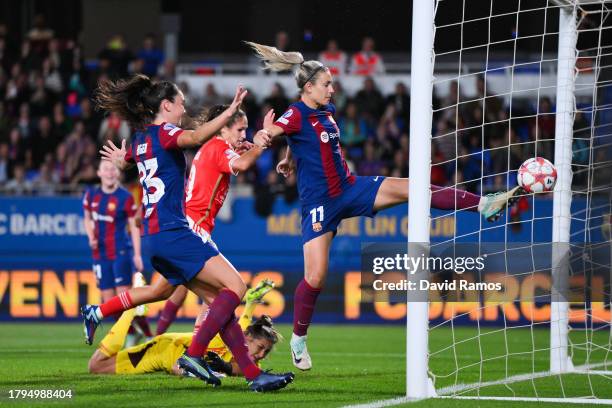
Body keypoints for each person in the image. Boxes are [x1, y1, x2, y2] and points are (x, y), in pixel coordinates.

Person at [245, 41, 522, 371]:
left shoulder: (326, 112)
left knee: (413, 187)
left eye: (332, 83)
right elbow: (277, 130)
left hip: (350, 188)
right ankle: (299, 338)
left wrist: (290, 160)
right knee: (316, 276)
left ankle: (484, 204)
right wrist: (265, 135)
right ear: (308, 88)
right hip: (319, 204)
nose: (333, 89)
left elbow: (297, 139)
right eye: (327, 84)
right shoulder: (296, 111)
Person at [81, 74, 293, 392]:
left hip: (157, 237)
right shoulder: (169, 132)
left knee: (208, 302)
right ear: (166, 105)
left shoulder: (141, 139)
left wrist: (122, 161)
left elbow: (133, 159)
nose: (183, 108)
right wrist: (233, 111)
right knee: (235, 287)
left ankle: (253, 375)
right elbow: (193, 138)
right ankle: (193, 355)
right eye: (180, 103)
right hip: (176, 231)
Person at [156, 104, 273, 335]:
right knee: (230, 289)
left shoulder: (214, 146)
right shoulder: (218, 147)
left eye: (245, 130)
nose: (243, 135)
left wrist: (251, 146)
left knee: (164, 291)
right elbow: (241, 163)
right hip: (194, 228)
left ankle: (100, 312)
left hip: (189, 225)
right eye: (240, 130)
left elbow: (237, 157)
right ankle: (194, 352)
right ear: (222, 130)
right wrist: (258, 145)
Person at [88, 280, 279, 378]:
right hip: (162, 350)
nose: (262, 354)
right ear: (247, 337)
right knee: (96, 366)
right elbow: (176, 367)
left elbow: (241, 370)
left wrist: (225, 369)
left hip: (168, 356)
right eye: (261, 347)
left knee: (97, 366)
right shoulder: (230, 334)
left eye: (266, 351)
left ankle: (135, 307)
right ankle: (130, 310)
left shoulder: (250, 360)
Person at [82, 160, 151, 344]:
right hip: (100, 254)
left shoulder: (125, 197)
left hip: (121, 252)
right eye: (106, 169)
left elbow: (134, 227)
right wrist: (91, 237)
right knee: (108, 300)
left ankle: (148, 334)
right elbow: (87, 218)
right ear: (99, 173)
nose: (110, 172)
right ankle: (131, 333)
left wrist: (137, 254)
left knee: (124, 297)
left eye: (113, 169)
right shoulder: (91, 195)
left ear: (118, 173)